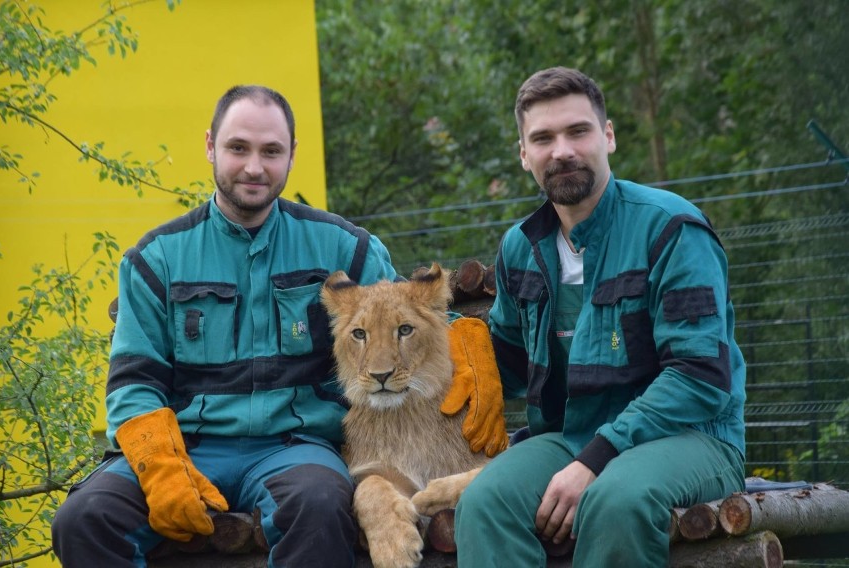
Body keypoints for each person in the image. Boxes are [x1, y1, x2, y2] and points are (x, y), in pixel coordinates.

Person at [51, 84, 508, 567]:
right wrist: (160, 466)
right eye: (237, 148)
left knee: (320, 505)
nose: (254, 167)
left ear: (292, 155)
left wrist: (466, 336)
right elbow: (132, 384)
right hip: (186, 448)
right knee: (82, 519)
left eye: (271, 151)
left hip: (295, 447)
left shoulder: (343, 245)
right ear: (210, 146)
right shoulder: (154, 258)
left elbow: (402, 312)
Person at [454, 67, 747, 566]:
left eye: (578, 131)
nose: (562, 150)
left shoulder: (671, 229)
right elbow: (504, 363)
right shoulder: (520, 247)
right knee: (485, 503)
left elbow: (699, 377)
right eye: (543, 138)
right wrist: (444, 351)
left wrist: (597, 457)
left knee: (616, 501)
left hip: (691, 437)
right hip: (570, 437)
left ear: (607, 137)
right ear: (524, 154)